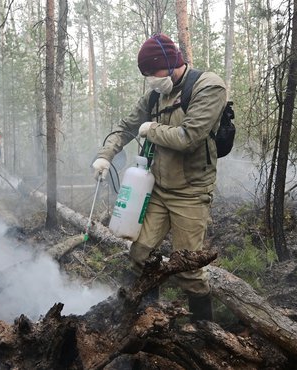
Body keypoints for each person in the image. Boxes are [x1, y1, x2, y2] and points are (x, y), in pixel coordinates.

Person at [92, 33, 227, 321]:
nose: (150, 79)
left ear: (169, 61)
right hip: (156, 188)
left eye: (153, 71)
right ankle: (144, 318)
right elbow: (126, 126)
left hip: (191, 191)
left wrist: (150, 130)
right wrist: (106, 155)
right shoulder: (156, 94)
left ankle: (204, 334)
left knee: (188, 269)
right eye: (146, 75)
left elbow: (189, 137)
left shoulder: (208, 86)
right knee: (139, 254)